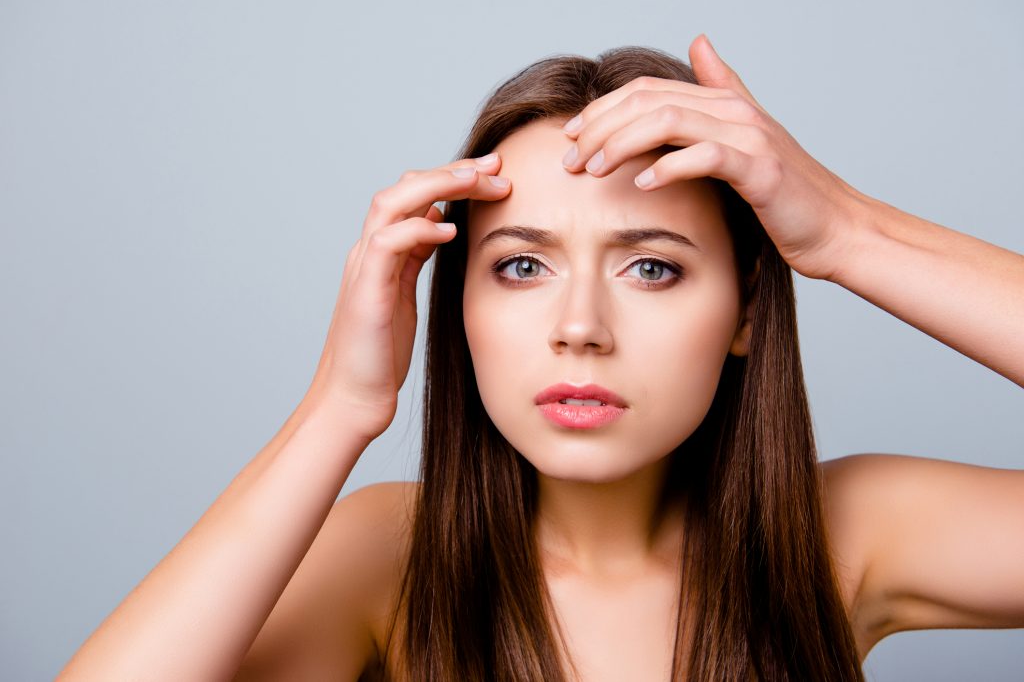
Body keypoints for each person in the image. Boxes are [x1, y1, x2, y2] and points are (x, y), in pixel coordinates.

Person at [57, 34, 1024, 681]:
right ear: (458, 304)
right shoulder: (391, 553)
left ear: (747, 314)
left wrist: (848, 233)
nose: (580, 326)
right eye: (520, 264)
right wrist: (338, 409)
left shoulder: (841, 535)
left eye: (652, 266)